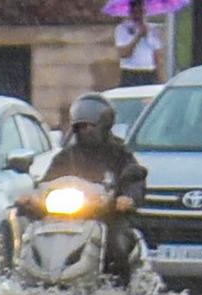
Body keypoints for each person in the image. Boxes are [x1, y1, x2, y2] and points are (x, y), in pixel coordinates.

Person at [43, 92, 151, 282]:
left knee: (116, 246)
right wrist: (31, 197)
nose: (85, 131)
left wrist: (127, 198)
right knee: (35, 236)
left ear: (104, 125)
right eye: (80, 126)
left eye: (90, 126)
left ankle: (119, 290)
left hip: (107, 217)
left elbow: (134, 178)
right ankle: (32, 282)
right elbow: (47, 182)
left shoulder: (120, 154)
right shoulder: (66, 156)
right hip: (67, 219)